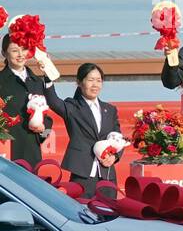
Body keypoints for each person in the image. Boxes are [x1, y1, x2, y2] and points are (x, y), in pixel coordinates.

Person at [45, 63, 122, 200]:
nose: (95, 85)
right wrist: (48, 77)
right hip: (82, 175)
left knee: (109, 214)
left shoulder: (110, 110)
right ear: (79, 83)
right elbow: (53, 101)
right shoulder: (73, 107)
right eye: (90, 80)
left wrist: (114, 157)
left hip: (107, 175)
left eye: (98, 81)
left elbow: (118, 138)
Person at [0, 33, 56, 167]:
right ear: (4, 53)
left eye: (24, 49)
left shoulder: (36, 81)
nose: (20, 54)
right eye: (14, 50)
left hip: (32, 152)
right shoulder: (1, 81)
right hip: (7, 152)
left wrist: (43, 130)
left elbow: (47, 119)